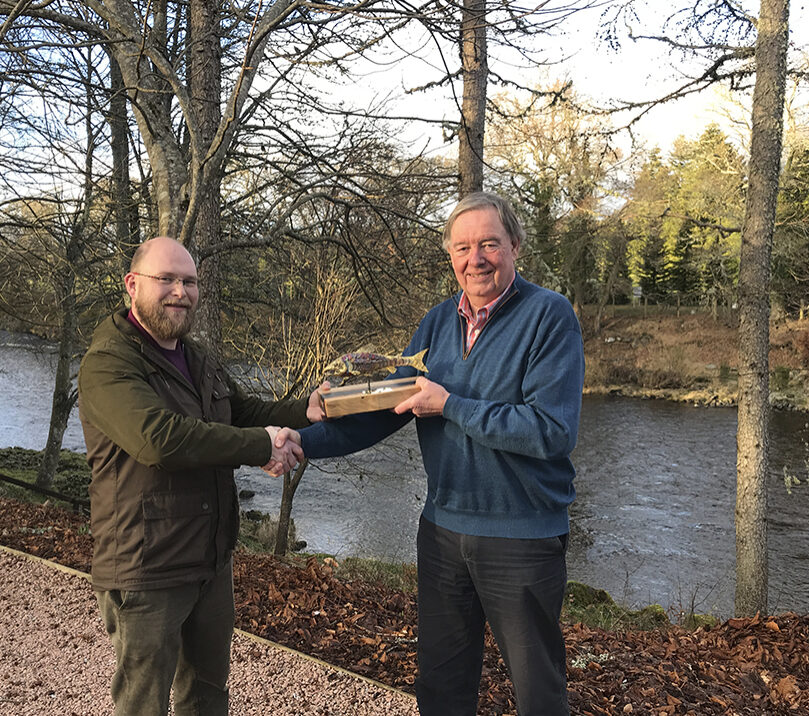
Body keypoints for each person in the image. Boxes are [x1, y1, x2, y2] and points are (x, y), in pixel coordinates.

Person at [282, 191, 584, 716]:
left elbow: (551, 430)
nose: (477, 258)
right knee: (442, 687)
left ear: (515, 245)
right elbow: (388, 410)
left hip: (522, 537)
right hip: (442, 533)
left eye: (490, 243)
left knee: (538, 694)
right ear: (450, 255)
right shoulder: (437, 323)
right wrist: (300, 444)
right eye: (463, 247)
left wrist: (451, 405)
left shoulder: (549, 316)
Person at [78, 236, 315, 716]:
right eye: (166, 279)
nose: (179, 292)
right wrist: (261, 446)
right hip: (148, 565)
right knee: (143, 703)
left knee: (207, 694)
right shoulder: (108, 362)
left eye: (188, 281)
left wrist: (308, 409)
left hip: (209, 558)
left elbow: (242, 411)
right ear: (133, 284)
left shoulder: (195, 355)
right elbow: (160, 439)